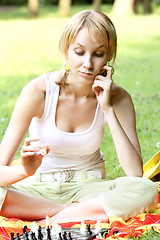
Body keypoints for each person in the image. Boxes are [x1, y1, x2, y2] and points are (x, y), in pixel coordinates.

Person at [0, 10, 158, 223]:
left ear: (109, 56)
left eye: (98, 54)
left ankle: (45, 221)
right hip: (36, 190)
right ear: (66, 49)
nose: (88, 63)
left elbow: (134, 172)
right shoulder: (39, 91)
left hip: (89, 189)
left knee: (145, 189)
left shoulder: (119, 98)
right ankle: (68, 214)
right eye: (79, 52)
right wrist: (25, 170)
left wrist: (108, 109)